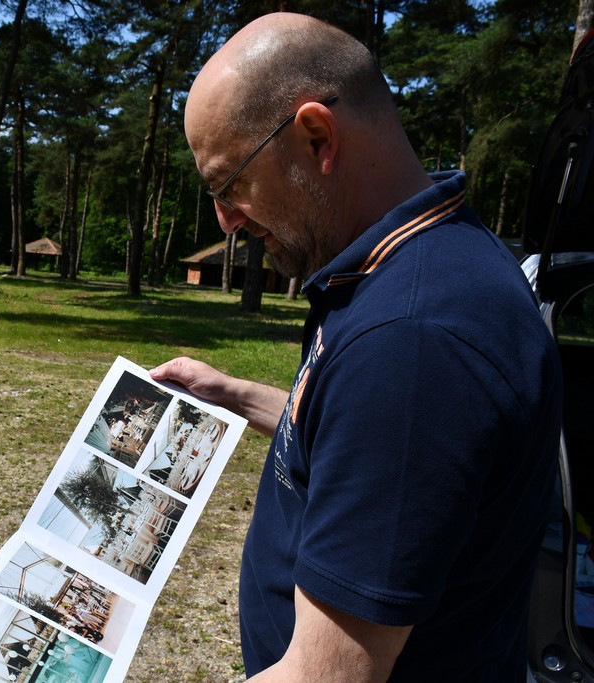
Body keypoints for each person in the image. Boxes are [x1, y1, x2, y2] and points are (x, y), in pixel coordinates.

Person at [149, 12, 562, 683]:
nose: (224, 221)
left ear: (316, 137)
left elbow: (329, 676)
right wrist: (235, 393)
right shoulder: (414, 260)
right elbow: (376, 445)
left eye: (229, 187)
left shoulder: (413, 340)